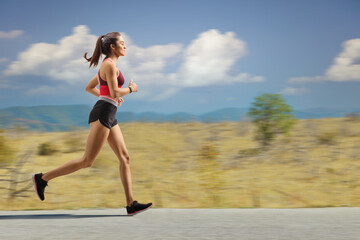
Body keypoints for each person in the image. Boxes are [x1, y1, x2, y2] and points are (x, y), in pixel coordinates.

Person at [32, 32, 152, 215]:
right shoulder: (109, 66)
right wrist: (131, 89)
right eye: (122, 43)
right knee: (87, 161)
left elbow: (91, 88)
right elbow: (114, 92)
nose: (125, 46)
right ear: (113, 46)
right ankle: (42, 178)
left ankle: (131, 204)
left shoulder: (109, 66)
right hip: (102, 114)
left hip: (109, 113)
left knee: (125, 158)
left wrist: (113, 97)